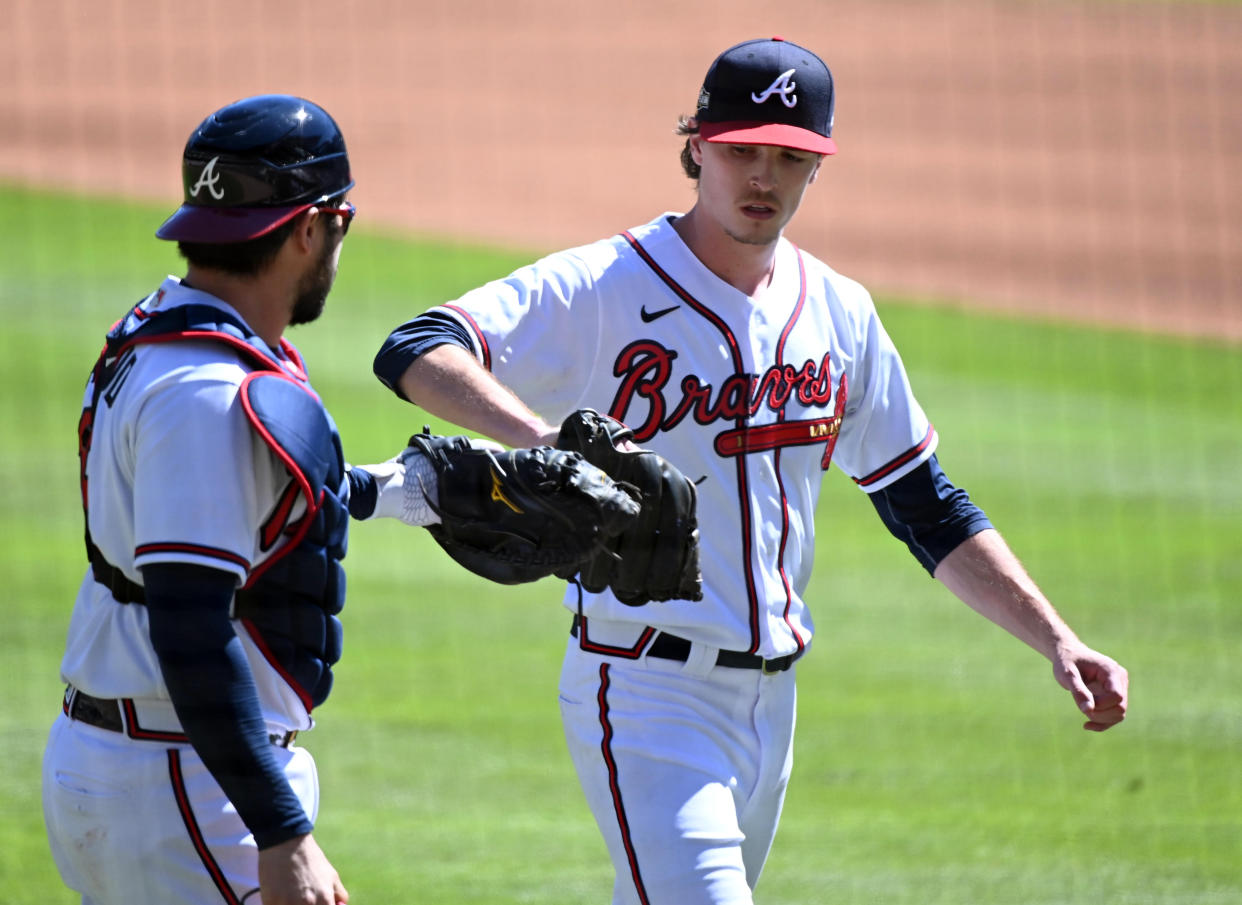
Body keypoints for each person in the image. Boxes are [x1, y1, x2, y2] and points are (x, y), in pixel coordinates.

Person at [372, 37, 1130, 905]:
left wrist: (1058, 638)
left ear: (818, 165)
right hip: (646, 691)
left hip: (775, 709)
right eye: (741, 150)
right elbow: (415, 348)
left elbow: (921, 500)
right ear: (697, 146)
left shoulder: (839, 310)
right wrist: (543, 440)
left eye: (790, 155)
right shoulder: (605, 286)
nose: (763, 176)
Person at [44, 94, 452, 905]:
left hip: (150, 762)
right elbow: (192, 629)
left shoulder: (167, 333)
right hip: (183, 781)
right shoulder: (207, 391)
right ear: (312, 228)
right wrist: (284, 833)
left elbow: (246, 505)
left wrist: (411, 494)